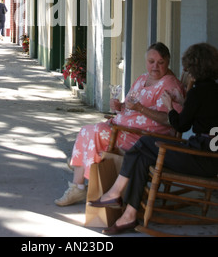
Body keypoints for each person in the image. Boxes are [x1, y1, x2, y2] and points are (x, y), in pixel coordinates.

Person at [89, 42, 218, 235]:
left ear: (195, 68)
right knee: (143, 156)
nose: (185, 70)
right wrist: (184, 103)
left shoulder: (198, 92)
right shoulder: (212, 90)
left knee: (145, 144)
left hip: (201, 156)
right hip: (209, 155)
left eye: (188, 67)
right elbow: (201, 114)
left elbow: (181, 125)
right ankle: (129, 215)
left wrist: (170, 106)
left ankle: (115, 194)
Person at [55, 42, 185, 207]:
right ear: (146, 61)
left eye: (160, 62)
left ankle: (78, 171)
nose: (155, 66)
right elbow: (130, 104)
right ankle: (78, 180)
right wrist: (119, 106)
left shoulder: (170, 86)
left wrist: (140, 108)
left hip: (143, 139)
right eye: (151, 61)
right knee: (87, 130)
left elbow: (170, 121)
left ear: (168, 62)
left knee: (93, 132)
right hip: (123, 129)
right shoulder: (143, 78)